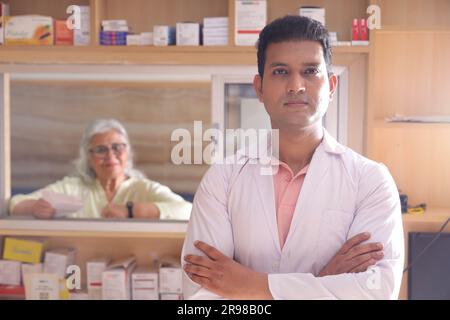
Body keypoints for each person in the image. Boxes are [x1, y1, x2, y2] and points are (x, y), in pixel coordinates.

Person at [181, 16, 404, 299]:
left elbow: (376, 292)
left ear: (331, 86)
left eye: (310, 71)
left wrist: (247, 285)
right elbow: (198, 294)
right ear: (259, 88)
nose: (296, 85)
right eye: (280, 71)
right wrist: (324, 281)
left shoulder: (370, 181)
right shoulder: (223, 178)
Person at [9, 118, 192, 220]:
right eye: (100, 150)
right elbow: (15, 203)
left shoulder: (143, 188)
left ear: (127, 151)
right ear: (88, 157)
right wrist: (35, 207)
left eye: (117, 147)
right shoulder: (72, 188)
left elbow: (187, 211)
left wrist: (131, 211)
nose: (110, 156)